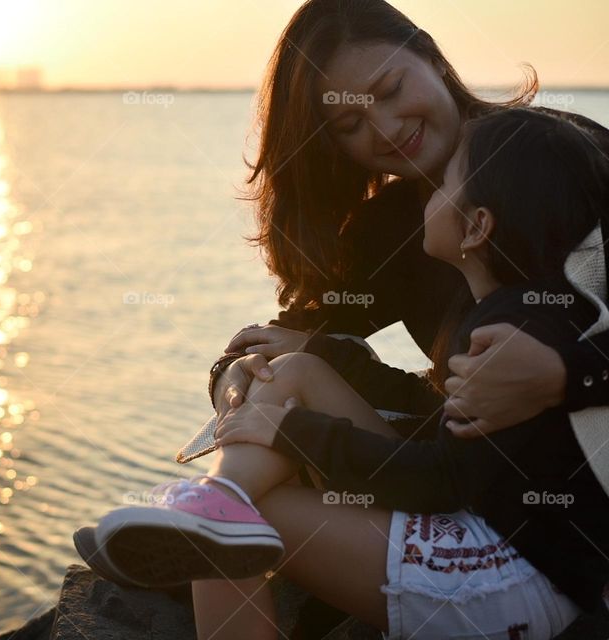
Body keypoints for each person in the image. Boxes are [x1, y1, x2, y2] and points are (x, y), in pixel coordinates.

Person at [86, 107, 609, 639]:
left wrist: (291, 434)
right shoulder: (527, 311)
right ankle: (215, 501)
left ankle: (212, 512)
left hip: (510, 581)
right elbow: (449, 443)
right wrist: (311, 361)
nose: (427, 191)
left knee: (247, 524)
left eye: (446, 182)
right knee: (297, 371)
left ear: (476, 227)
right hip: (502, 544)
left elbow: (438, 481)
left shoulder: (506, 338)